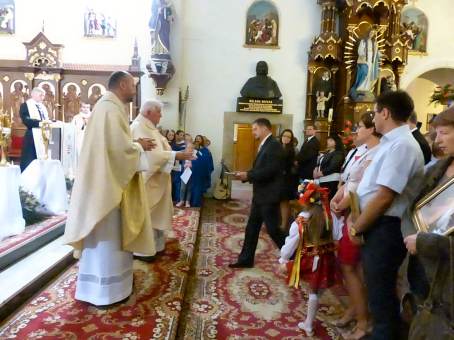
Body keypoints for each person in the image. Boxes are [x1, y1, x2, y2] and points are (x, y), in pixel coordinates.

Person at [63, 71, 156, 307]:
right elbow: (119, 151)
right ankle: (107, 292)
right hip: (108, 189)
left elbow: (115, 147)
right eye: (133, 85)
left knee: (105, 242)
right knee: (108, 240)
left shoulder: (108, 107)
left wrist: (134, 146)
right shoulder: (111, 109)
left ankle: (98, 289)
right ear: (123, 84)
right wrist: (139, 146)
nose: (134, 90)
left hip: (104, 183)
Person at [350, 90, 424, 339]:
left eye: (375, 112)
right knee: (376, 290)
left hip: (386, 227)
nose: (374, 117)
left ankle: (384, 334)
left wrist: (357, 226)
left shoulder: (402, 145)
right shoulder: (391, 142)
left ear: (385, 112)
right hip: (378, 224)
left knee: (381, 294)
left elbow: (384, 196)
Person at [404, 107, 454, 338]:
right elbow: (411, 207)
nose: (437, 139)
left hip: (445, 280)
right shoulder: (436, 168)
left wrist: (424, 242)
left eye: (443, 132)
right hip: (418, 264)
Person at [330, 112, 381, 339]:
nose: (355, 131)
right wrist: (337, 196)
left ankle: (363, 321)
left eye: (360, 127)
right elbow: (348, 179)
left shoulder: (378, 152)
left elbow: (361, 186)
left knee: (351, 265)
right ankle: (356, 308)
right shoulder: (359, 151)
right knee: (350, 265)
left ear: (371, 129)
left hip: (360, 212)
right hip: (349, 209)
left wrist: (343, 202)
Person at [131, 100, 193, 256]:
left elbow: (160, 149)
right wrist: (175, 155)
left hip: (158, 180)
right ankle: (142, 251)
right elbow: (150, 156)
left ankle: (156, 246)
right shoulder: (139, 127)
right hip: (147, 182)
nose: (161, 115)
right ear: (148, 112)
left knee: (155, 217)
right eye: (158, 112)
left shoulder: (150, 128)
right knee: (147, 215)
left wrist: (174, 155)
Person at [279, 181, 337, 337]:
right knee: (318, 289)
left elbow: (292, 241)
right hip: (327, 257)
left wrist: (283, 257)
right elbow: (336, 235)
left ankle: (309, 324)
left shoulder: (303, 218)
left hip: (311, 259)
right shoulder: (327, 215)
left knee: (312, 290)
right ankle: (313, 308)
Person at [229, 118, 286, 268]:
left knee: (273, 230)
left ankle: (294, 254)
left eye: (255, 129)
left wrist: (248, 176)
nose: (253, 132)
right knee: (252, 228)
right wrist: (246, 173)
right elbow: (260, 168)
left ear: (264, 128)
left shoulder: (274, 145)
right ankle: (245, 260)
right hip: (260, 195)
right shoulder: (266, 144)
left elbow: (270, 171)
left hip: (268, 195)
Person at [19, 87, 50, 172]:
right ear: (33, 94)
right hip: (32, 135)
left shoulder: (42, 107)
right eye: (41, 95)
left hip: (43, 135)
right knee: (30, 159)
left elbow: (46, 118)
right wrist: (40, 123)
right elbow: (25, 119)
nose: (42, 97)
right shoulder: (25, 105)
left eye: (43, 95)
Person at [349, 29, 380, 100]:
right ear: (368, 32)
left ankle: (367, 88)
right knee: (364, 71)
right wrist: (363, 55)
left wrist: (376, 51)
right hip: (364, 59)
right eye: (371, 32)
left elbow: (376, 51)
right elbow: (360, 50)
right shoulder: (363, 41)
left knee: (369, 73)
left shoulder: (374, 42)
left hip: (371, 59)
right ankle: (360, 87)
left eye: (373, 33)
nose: (372, 34)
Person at [313, 135, 345, 200]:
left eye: (331, 140)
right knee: (323, 202)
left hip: (331, 181)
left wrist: (320, 173)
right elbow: (319, 163)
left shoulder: (338, 153)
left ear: (336, 142)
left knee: (328, 202)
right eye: (328, 140)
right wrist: (315, 170)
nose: (328, 142)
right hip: (322, 180)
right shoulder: (327, 152)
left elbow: (333, 167)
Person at [279, 129, 298, 231]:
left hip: (286, 179)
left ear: (291, 139)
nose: (286, 138)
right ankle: (278, 221)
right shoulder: (277, 147)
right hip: (277, 179)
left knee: (284, 202)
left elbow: (289, 165)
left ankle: (284, 225)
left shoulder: (291, 150)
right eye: (284, 136)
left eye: (288, 137)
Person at [190, 135, 214, 207]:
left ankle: (196, 204)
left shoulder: (206, 150)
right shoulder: (192, 149)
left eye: (199, 139)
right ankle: (191, 203)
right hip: (193, 172)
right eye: (196, 139)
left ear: (202, 141)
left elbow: (208, 162)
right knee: (192, 188)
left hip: (201, 173)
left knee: (198, 189)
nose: (197, 140)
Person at [71, 102, 92, 173]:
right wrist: (82, 125)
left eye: (87, 107)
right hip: (80, 140)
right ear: (81, 108)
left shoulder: (94, 116)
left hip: (91, 140)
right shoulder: (76, 118)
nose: (86, 109)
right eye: (84, 107)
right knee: (80, 156)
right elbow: (72, 129)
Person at [177, 142, 195, 208]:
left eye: (191, 148)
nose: (190, 149)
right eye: (188, 148)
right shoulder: (183, 155)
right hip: (184, 174)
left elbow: (197, 165)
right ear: (186, 148)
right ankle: (182, 201)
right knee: (182, 188)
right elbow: (179, 164)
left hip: (191, 174)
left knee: (189, 188)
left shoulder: (195, 156)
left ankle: (187, 201)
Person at [171, 130, 186, 202]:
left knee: (177, 184)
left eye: (183, 135)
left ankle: (177, 199)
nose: (182, 136)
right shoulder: (172, 143)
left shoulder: (183, 144)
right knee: (171, 183)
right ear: (176, 135)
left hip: (179, 166)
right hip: (170, 166)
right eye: (181, 135)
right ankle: (171, 199)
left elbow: (183, 154)